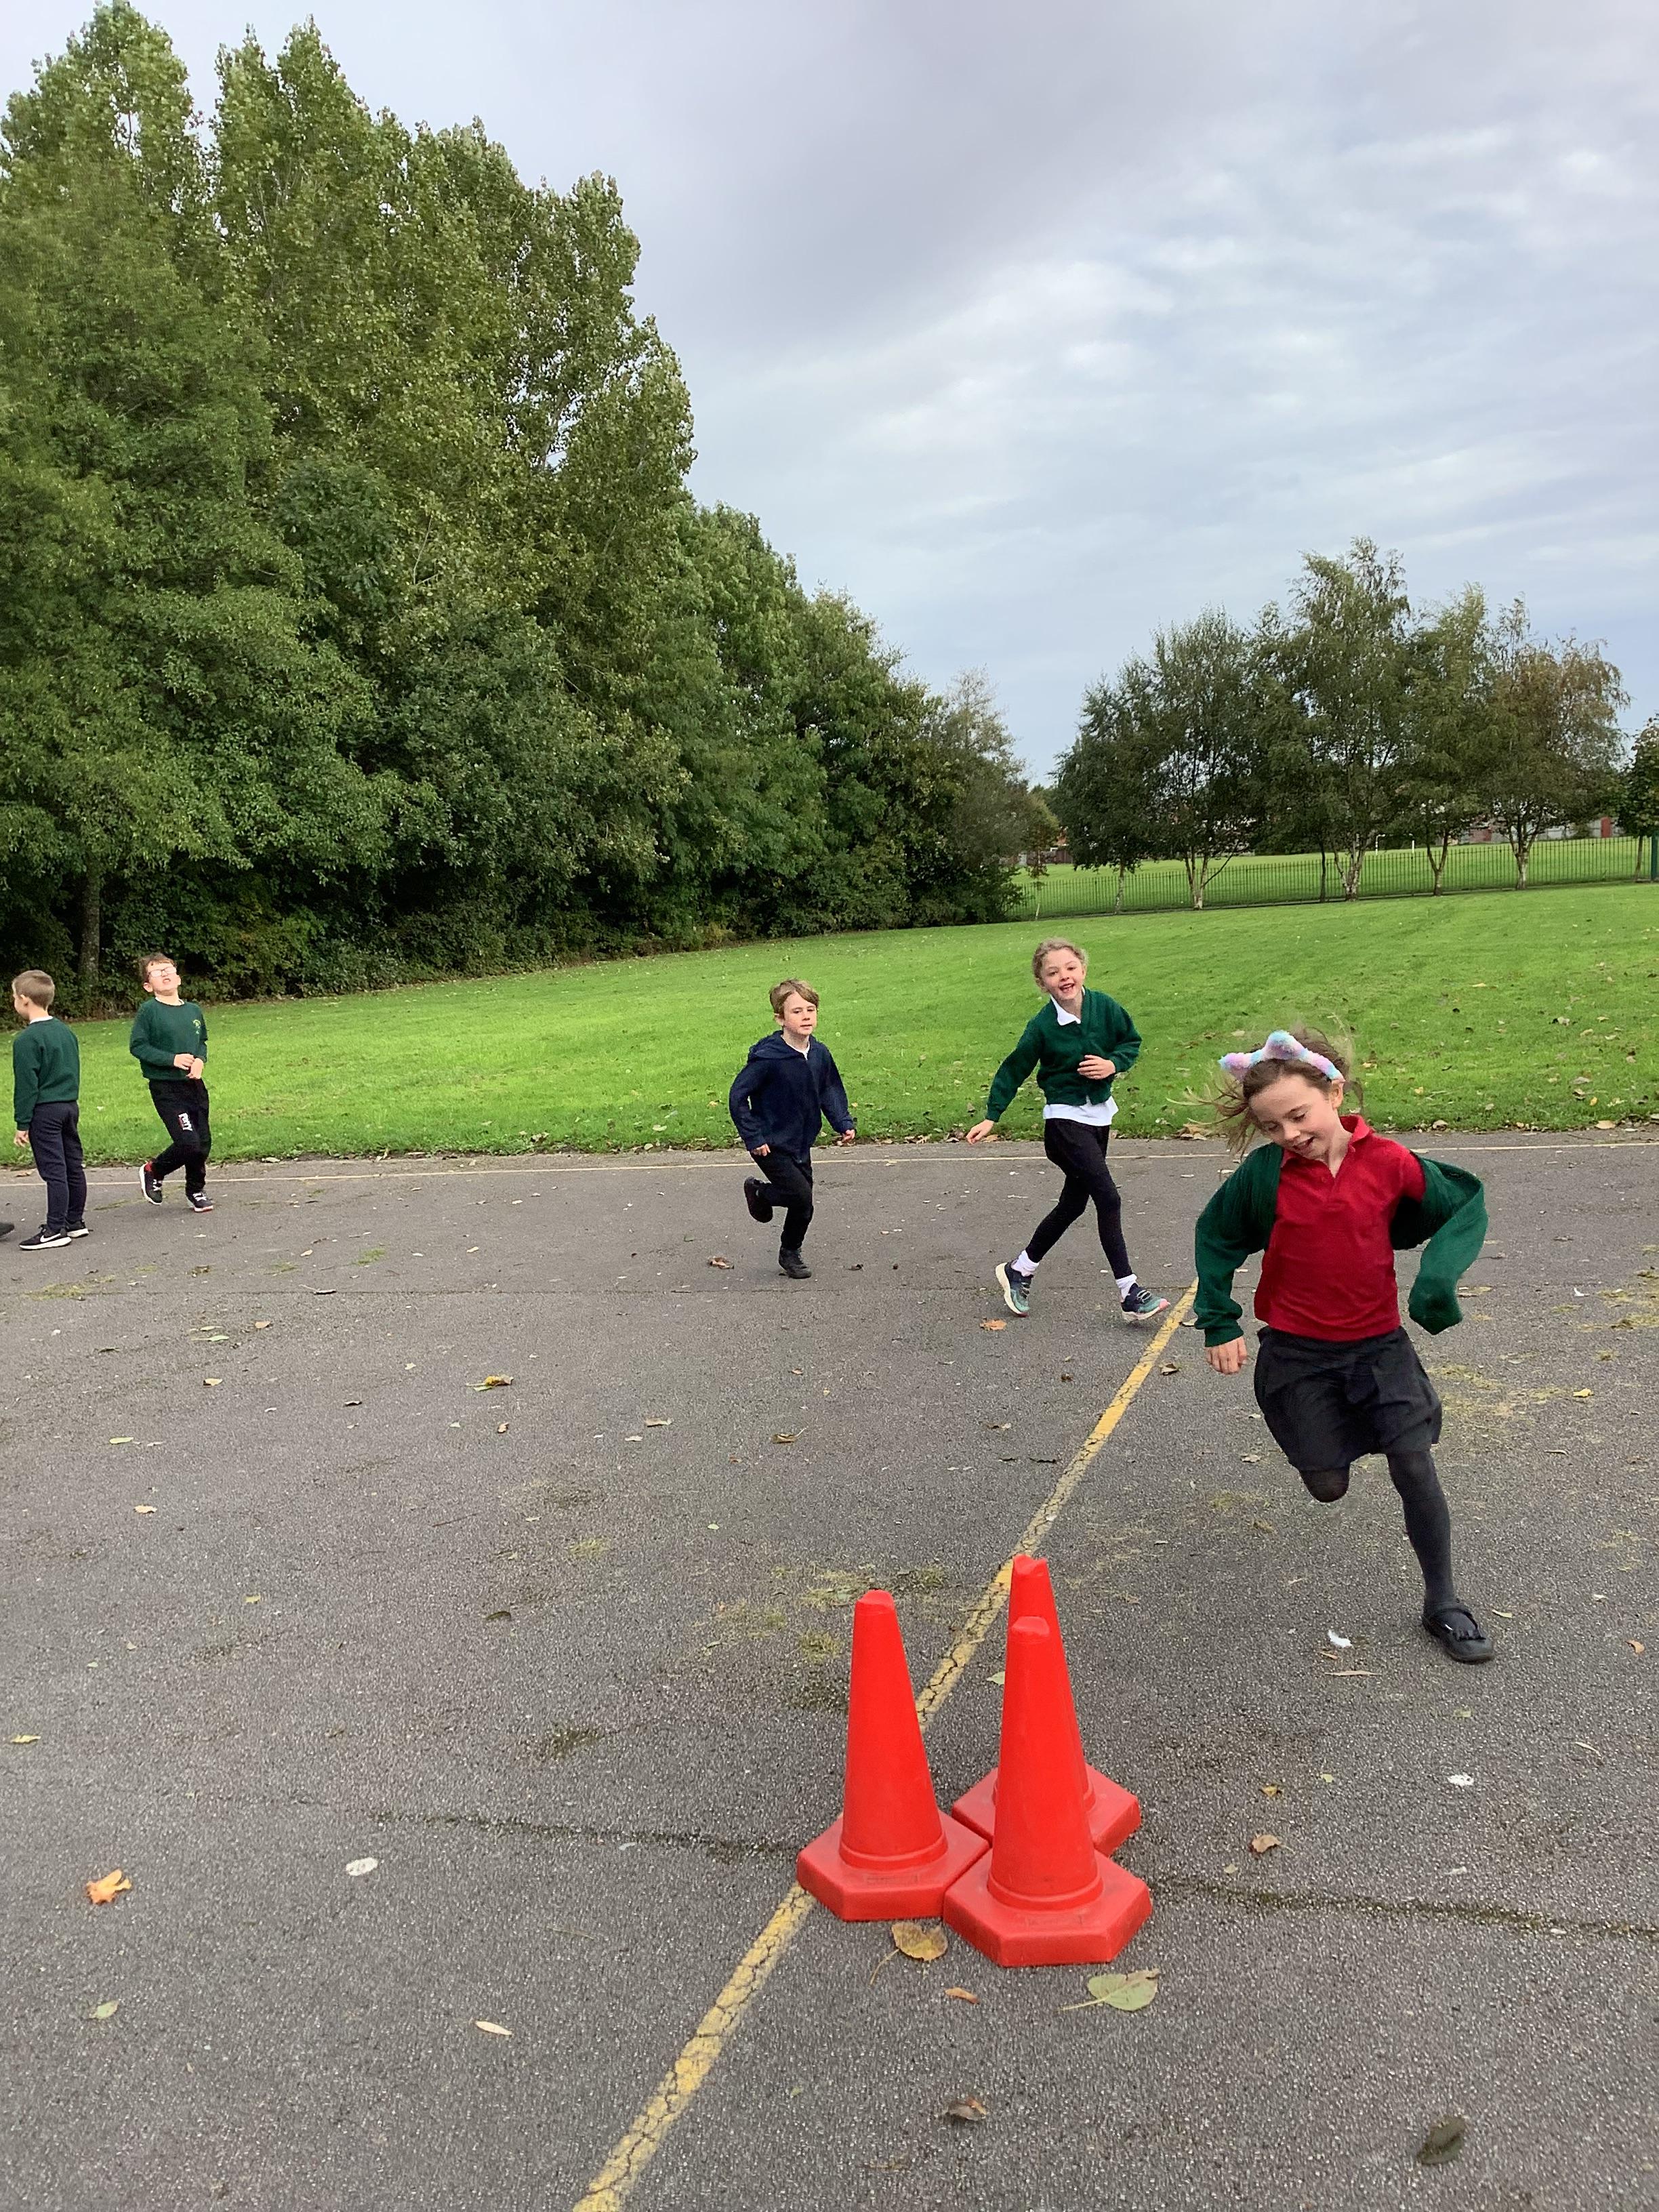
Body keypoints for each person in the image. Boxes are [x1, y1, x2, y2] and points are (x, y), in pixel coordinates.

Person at [1195, 1027, 1493, 1663]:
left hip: (1379, 1347)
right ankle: (1334, 1445)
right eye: (1272, 1127)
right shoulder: (1265, 1175)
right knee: (1327, 1485)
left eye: (1299, 1115)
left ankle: (1443, 1602)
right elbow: (1217, 1235)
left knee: (1413, 1462)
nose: (1289, 1134)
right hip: (1298, 1355)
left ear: (1334, 1093)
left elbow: (1460, 1205)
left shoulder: (1389, 1162)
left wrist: (1437, 1281)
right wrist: (1218, 1320)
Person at [965, 937, 1168, 1322]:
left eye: (1071, 968)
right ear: (1042, 983)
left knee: (1073, 1204)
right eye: (1053, 972)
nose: (1064, 977)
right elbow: (1014, 1068)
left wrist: (1113, 1064)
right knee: (1108, 1198)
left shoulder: (1105, 1007)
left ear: (1083, 970)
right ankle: (1129, 1291)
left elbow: (1131, 1041)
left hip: (1099, 1118)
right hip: (1064, 1123)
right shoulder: (1042, 1026)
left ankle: (1020, 1269)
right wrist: (992, 1116)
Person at [728, 979, 855, 1279]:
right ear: (780, 1019)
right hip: (769, 1142)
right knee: (800, 1197)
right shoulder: (768, 1058)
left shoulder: (819, 1054)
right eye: (797, 1011)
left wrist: (842, 1122)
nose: (806, 1016)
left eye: (811, 1010)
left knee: (804, 1206)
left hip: (800, 1141)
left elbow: (829, 1090)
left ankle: (790, 1253)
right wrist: (753, 1136)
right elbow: (737, 1097)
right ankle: (761, 1193)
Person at [130, 954, 213, 1212]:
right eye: (157, 972)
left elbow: (201, 1042)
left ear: (178, 976)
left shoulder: (193, 1010)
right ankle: (154, 1171)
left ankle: (196, 1190)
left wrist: (200, 1061)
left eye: (169, 969)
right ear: (148, 985)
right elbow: (138, 1046)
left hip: (194, 1086)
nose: (165, 974)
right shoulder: (149, 1011)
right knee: (188, 1141)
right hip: (167, 1088)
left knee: (202, 1142)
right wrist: (172, 1059)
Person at [11, 969, 86, 1252]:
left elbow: (27, 1085)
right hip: (69, 1105)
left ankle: (55, 1229)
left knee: (54, 1170)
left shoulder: (27, 1040)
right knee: (72, 1165)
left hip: (45, 1111)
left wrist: (23, 1122)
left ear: (24, 999)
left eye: (14, 997)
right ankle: (74, 1220)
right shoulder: (66, 1032)